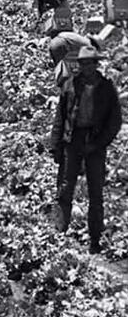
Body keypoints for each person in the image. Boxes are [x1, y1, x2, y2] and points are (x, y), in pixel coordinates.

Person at [49, 47, 121, 254]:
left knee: (96, 191)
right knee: (65, 187)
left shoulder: (106, 87)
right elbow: (60, 117)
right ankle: (60, 231)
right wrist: (55, 144)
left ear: (96, 64)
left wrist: (99, 143)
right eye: (83, 63)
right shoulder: (70, 85)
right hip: (73, 139)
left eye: (90, 63)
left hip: (95, 140)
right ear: (79, 65)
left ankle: (95, 239)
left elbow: (114, 121)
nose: (86, 67)